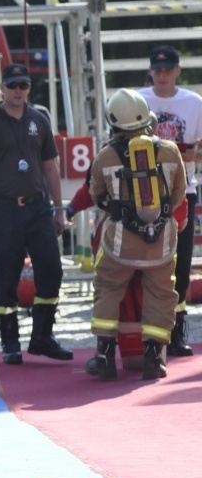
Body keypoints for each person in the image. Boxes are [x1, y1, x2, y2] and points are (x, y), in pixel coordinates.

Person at [0, 63, 73, 366]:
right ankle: (9, 343)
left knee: (52, 270)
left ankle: (42, 337)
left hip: (38, 207)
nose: (17, 91)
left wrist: (58, 208)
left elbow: (51, 167)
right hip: (3, 209)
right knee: (5, 276)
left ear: (29, 89)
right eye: (12, 85)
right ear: (2, 88)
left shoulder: (39, 120)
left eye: (23, 86)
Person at [88, 88, 186, 380]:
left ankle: (104, 356)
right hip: (162, 243)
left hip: (120, 243)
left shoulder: (106, 156)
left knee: (107, 288)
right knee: (161, 293)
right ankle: (153, 358)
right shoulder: (170, 150)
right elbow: (179, 196)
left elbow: (97, 195)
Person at [137, 45, 202, 357]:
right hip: (142, 192)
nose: (161, 74)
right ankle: (142, 329)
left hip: (182, 190)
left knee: (181, 261)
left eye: (167, 68)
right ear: (151, 70)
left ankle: (176, 331)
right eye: (157, 69)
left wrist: (192, 154)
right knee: (142, 262)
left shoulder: (194, 104)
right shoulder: (137, 100)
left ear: (178, 69)